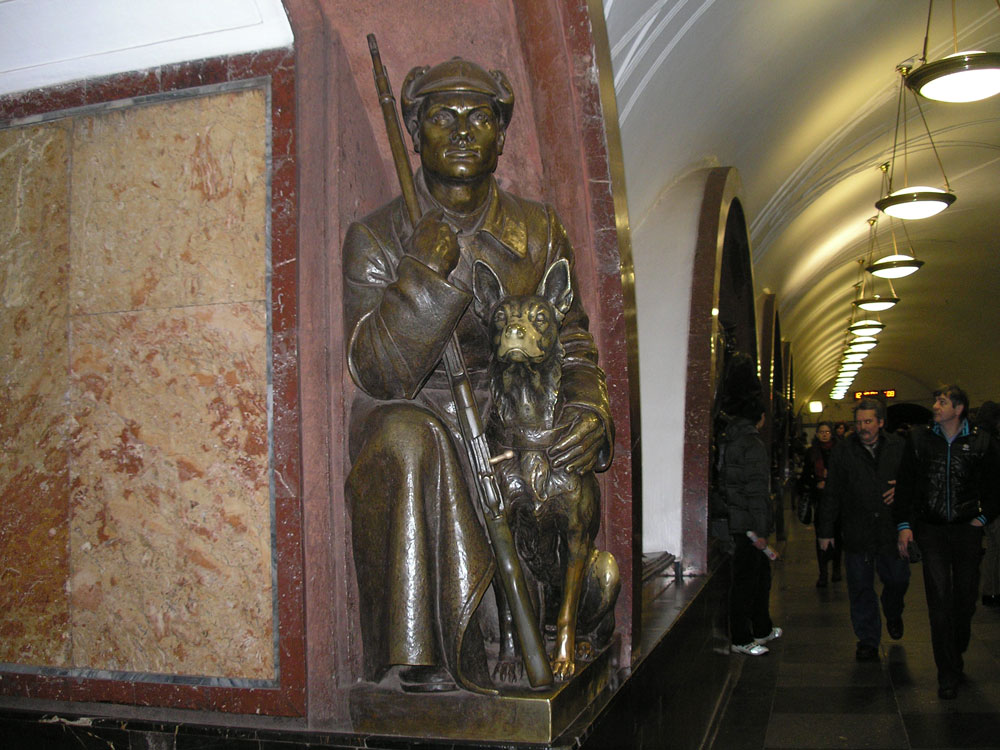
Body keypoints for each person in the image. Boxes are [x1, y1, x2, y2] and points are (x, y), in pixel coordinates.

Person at [342, 58, 614, 693]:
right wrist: (420, 275)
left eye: (480, 117)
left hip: (513, 418)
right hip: (424, 414)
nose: (463, 131)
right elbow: (377, 372)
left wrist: (588, 408)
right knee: (406, 435)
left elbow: (572, 338)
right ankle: (422, 658)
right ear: (415, 133)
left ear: (501, 134)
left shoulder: (538, 229)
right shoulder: (376, 237)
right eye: (443, 116)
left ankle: (548, 624)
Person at [895, 386, 1000, 699]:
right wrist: (904, 525)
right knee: (939, 599)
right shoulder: (920, 440)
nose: (936, 407)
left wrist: (983, 517)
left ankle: (956, 647)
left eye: (942, 402)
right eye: (936, 401)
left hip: (967, 530)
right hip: (932, 529)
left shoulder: (981, 441)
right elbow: (907, 485)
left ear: (959, 408)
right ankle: (947, 672)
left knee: (965, 598)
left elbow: (996, 485)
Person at [818, 399, 908, 661]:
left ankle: (893, 611)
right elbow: (832, 492)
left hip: (889, 528)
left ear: (880, 422)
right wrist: (826, 530)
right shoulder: (844, 451)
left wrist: (901, 489)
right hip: (857, 529)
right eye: (858, 422)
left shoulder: (899, 447)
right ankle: (867, 639)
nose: (863, 427)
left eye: (868, 421)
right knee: (860, 586)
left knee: (898, 579)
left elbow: (915, 481)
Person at [719, 392, 781, 656]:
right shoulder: (752, 444)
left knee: (759, 576)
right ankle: (742, 637)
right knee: (748, 581)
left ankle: (762, 628)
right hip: (749, 524)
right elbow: (756, 491)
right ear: (761, 418)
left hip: (738, 520)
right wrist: (760, 530)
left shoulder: (730, 440)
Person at [806, 421, 841, 587]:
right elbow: (805, 476)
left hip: (838, 499)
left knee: (838, 535)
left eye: (827, 431)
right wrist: (816, 483)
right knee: (821, 536)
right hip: (819, 499)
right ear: (817, 434)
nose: (824, 434)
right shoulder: (812, 452)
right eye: (821, 432)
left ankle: (836, 568)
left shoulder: (839, 451)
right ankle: (823, 572)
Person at [975, 401, 1000, 608]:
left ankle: (989, 590)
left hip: (983, 504)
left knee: (993, 548)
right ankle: (992, 591)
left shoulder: (975, 438)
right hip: (994, 504)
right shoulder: (991, 442)